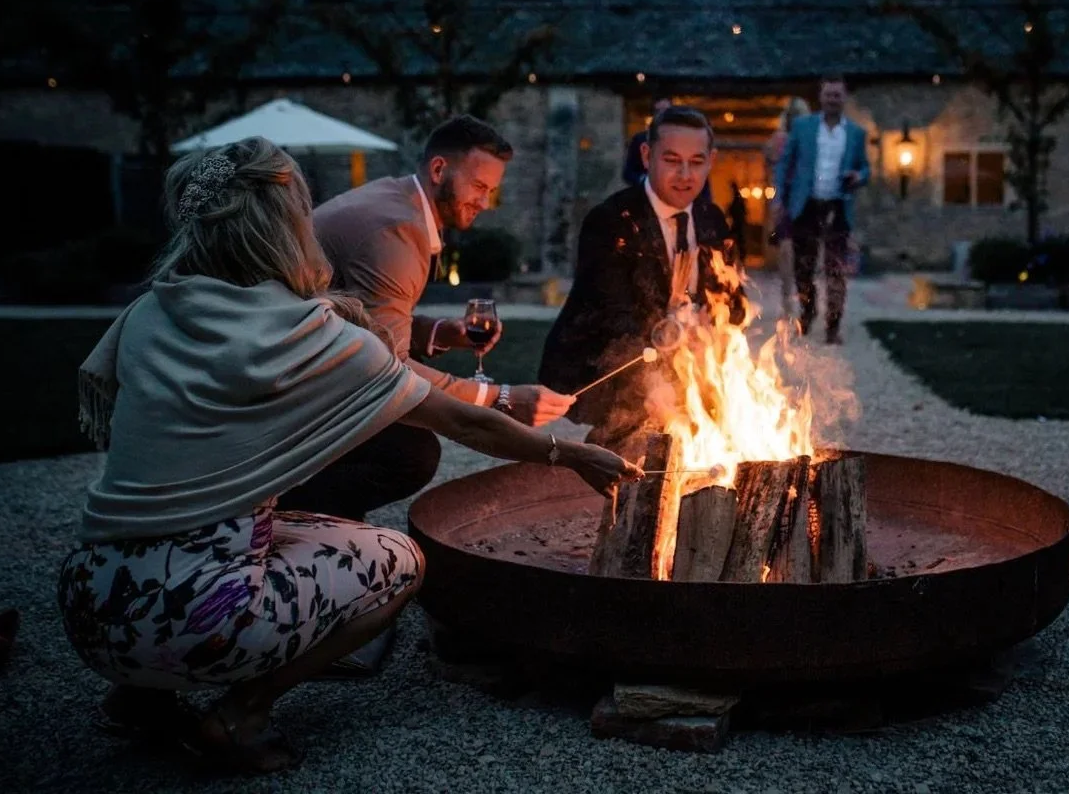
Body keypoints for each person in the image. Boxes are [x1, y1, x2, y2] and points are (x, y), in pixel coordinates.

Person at [59, 137, 639, 774]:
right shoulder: (308, 335)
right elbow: (468, 424)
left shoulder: (151, 311)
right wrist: (568, 453)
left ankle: (137, 699)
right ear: (286, 229)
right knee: (400, 562)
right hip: (192, 622)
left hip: (90, 602)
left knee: (271, 525)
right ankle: (240, 714)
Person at [280, 115, 574, 523]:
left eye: (491, 191)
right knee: (409, 453)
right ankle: (293, 512)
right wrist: (501, 398)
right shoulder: (397, 230)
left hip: (307, 355)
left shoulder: (397, 199)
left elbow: (363, 318)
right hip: (286, 375)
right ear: (439, 169)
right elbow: (388, 370)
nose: (485, 203)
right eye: (479, 187)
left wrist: (437, 333)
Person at [540, 105, 744, 454]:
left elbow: (734, 307)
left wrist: (710, 332)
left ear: (711, 161)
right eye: (672, 160)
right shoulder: (610, 221)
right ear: (647, 156)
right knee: (649, 433)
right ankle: (608, 456)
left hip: (685, 361)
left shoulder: (711, 219)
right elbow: (614, 316)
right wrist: (675, 343)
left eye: (696, 162)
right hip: (612, 364)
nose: (685, 175)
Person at [774, 75, 871, 343]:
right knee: (803, 267)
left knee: (836, 270)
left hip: (838, 206)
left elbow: (866, 168)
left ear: (844, 98)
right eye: (828, 94)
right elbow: (784, 164)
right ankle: (807, 313)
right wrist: (779, 198)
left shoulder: (856, 133)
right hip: (806, 206)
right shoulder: (803, 127)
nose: (832, 99)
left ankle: (833, 326)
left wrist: (858, 176)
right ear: (821, 97)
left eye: (837, 95)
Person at [764, 96, 810, 318]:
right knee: (785, 250)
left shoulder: (809, 139)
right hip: (786, 199)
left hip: (805, 200)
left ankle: (801, 300)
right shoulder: (780, 139)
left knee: (802, 253)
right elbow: (772, 162)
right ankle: (787, 300)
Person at [622, 95, 712, 203]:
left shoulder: (686, 140)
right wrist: (645, 180)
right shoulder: (640, 139)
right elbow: (628, 172)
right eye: (659, 111)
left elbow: (702, 178)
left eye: (666, 111)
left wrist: (707, 204)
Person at [726, 181, 748, 264]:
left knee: (736, 242)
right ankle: (738, 258)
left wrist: (729, 210)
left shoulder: (737, 199)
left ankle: (734, 258)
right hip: (739, 224)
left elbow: (736, 211)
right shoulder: (738, 199)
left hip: (738, 224)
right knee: (739, 242)